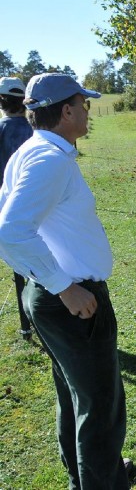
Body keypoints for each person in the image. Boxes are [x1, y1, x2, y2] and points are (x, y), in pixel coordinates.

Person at [0, 73, 131, 488]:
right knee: (100, 403)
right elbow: (9, 231)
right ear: (67, 111)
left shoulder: (34, 151)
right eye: (83, 104)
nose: (88, 112)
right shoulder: (48, 160)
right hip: (72, 300)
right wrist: (63, 286)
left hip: (55, 296)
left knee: (75, 394)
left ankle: (88, 476)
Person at [0, 77, 33, 340]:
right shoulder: (36, 129)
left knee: (20, 266)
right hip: (37, 205)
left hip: (7, 208)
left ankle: (27, 324)